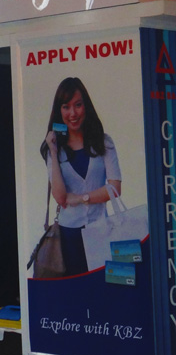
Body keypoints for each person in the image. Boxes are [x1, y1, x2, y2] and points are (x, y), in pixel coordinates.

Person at [40, 77, 122, 276]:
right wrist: (52, 148)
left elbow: (115, 189)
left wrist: (80, 198)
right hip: (69, 236)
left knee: (103, 289)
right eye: (66, 107)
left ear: (86, 106)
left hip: (100, 230)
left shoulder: (104, 142)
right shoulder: (55, 150)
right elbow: (60, 197)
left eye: (78, 105)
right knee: (75, 295)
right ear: (59, 111)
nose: (73, 113)